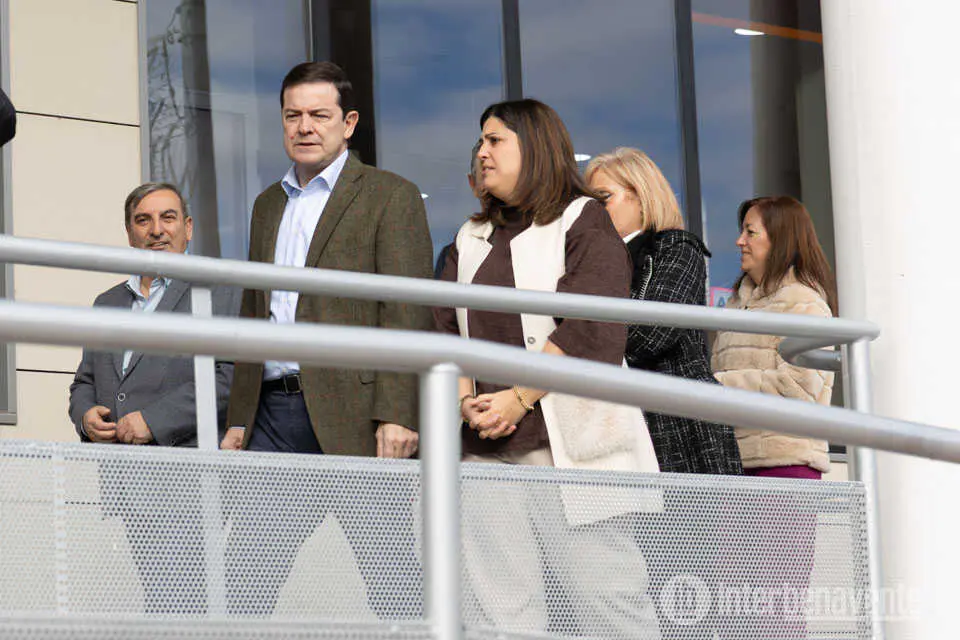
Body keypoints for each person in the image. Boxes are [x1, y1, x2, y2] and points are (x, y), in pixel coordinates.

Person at [435, 99, 661, 639]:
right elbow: (445, 330)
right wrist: (466, 401)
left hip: (570, 447)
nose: (481, 152)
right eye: (480, 142)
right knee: (500, 616)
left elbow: (594, 327)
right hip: (484, 449)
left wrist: (518, 398)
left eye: (495, 141)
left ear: (533, 147)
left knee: (608, 604)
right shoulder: (468, 238)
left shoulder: (583, 220)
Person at [220, 61, 433, 618]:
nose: (305, 126)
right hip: (273, 414)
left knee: (392, 582)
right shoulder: (268, 204)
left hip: (359, 412)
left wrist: (398, 412)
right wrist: (239, 415)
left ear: (349, 122)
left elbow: (406, 309)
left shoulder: (392, 194)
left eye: (320, 114)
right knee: (244, 581)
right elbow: (253, 311)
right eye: (293, 115)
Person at [68, 181, 237, 615]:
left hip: (188, 479)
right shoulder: (107, 303)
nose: (156, 230)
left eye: (168, 218)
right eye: (143, 220)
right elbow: (84, 380)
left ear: (189, 228)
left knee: (191, 603)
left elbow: (228, 377)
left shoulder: (217, 293)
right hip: (128, 481)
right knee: (162, 598)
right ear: (129, 232)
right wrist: (86, 415)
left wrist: (155, 420)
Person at [586, 147, 742, 475]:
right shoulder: (588, 263)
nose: (592, 212)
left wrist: (581, 334)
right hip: (622, 424)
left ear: (641, 197)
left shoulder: (677, 249)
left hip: (681, 428)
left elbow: (648, 334)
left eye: (602, 199)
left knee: (692, 526)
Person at [711, 195, 837, 479]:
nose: (739, 241)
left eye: (750, 232)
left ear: (780, 239)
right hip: (730, 464)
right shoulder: (734, 305)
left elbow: (797, 388)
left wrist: (715, 386)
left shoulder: (805, 303)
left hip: (785, 466)